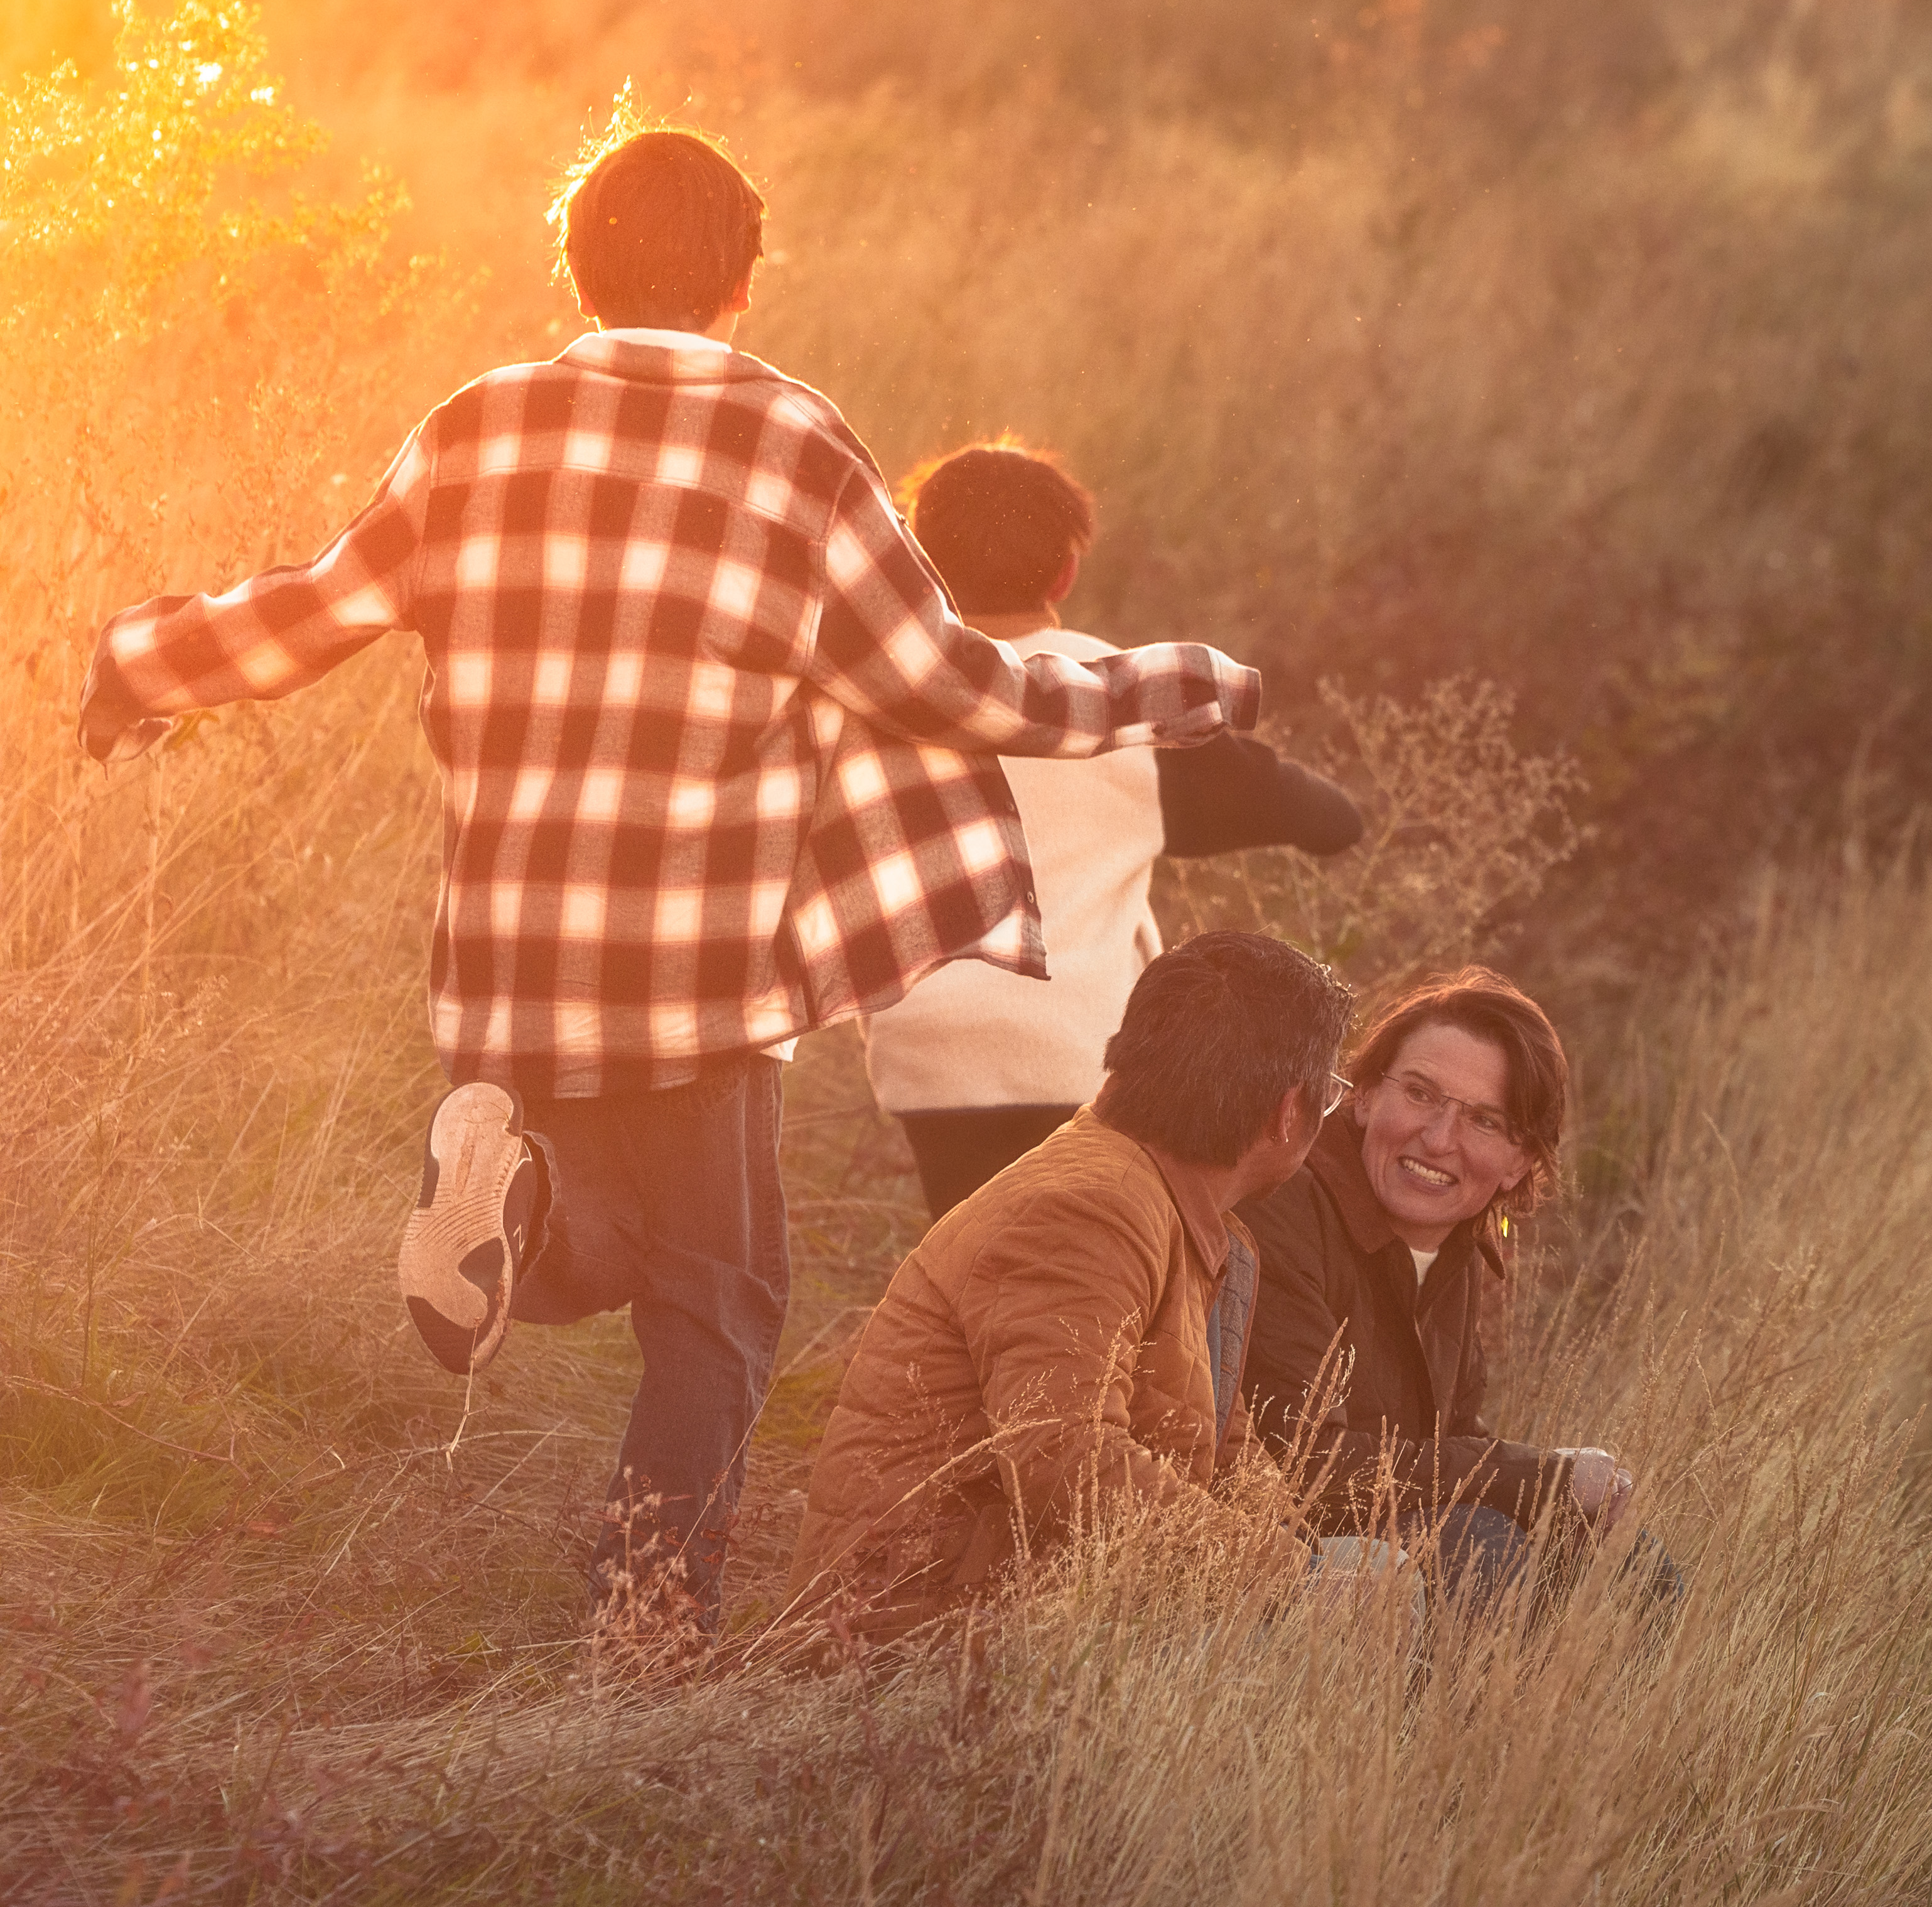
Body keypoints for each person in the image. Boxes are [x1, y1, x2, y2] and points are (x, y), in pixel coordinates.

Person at [77, 127, 1268, 1644]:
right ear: (742, 284)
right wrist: (1185, 685)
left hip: (505, 949)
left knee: (586, 1250)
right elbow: (962, 688)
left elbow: (315, 613)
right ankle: (646, 1632)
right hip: (700, 972)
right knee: (717, 1305)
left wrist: (135, 663)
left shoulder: (477, 426)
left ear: (571, 267)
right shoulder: (792, 443)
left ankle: (514, 1177)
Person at [782, 929, 1351, 1644]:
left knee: (1376, 1581)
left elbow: (1224, 1450)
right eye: (1331, 1098)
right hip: (923, 1648)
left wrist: (1300, 1557)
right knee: (1376, 1597)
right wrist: (1290, 1581)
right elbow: (1064, 1460)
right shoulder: (1089, 1208)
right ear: (1289, 1111)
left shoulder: (1180, 1214)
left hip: (1026, 1612)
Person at [862, 441, 1363, 1225]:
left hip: (931, 1051)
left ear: (918, 562)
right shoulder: (1121, 701)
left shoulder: (884, 695)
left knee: (975, 1271)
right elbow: (1331, 821)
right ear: (1064, 573)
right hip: (1083, 1053)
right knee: (1090, 1284)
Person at [1241, 968, 1669, 1609]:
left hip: (1382, 1524)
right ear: (1362, 1094)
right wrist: (1541, 1477)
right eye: (1419, 1093)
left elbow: (1447, 1437)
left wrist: (1552, 1489)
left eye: (1485, 1122)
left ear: (1520, 1160)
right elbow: (1310, 1470)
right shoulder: (1286, 1207)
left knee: (1633, 1569)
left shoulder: (1456, 1239)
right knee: (1481, 1551)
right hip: (1274, 1548)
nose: (1439, 1140)